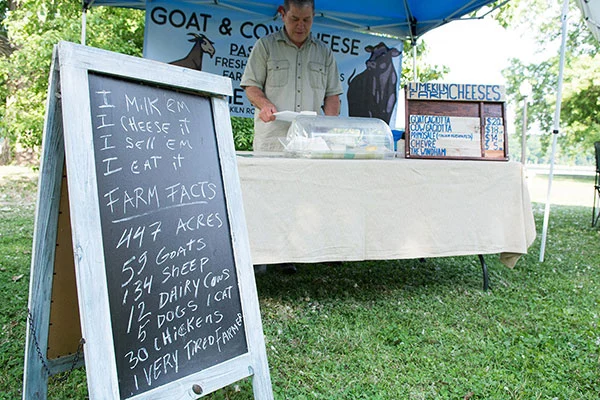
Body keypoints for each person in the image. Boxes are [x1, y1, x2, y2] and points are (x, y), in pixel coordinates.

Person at [240, 0, 343, 152]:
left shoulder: (324, 53)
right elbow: (251, 86)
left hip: (311, 143)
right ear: (283, 14)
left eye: (306, 20)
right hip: (272, 141)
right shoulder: (265, 46)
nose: (300, 25)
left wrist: (329, 128)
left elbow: (332, 97)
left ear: (313, 17)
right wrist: (265, 104)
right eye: (295, 19)